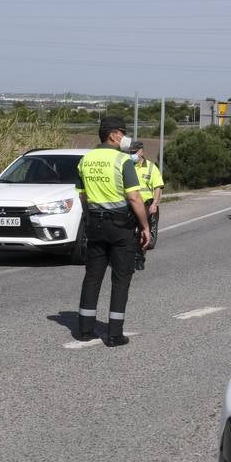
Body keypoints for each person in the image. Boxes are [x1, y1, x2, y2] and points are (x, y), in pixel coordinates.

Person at [75, 117, 152, 346]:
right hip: (120, 227)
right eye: (122, 132)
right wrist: (145, 226)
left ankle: (85, 330)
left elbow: (82, 196)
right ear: (113, 135)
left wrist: (89, 218)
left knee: (92, 276)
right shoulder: (122, 161)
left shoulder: (85, 160)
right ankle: (114, 334)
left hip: (95, 224)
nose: (125, 137)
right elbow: (134, 197)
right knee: (121, 278)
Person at [129, 140, 164, 270]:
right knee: (129, 234)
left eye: (133, 152)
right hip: (129, 205)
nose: (131, 154)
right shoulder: (127, 166)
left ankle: (139, 258)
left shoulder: (150, 167)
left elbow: (158, 187)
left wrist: (155, 203)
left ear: (141, 152)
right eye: (130, 152)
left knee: (143, 233)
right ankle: (129, 257)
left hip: (146, 205)